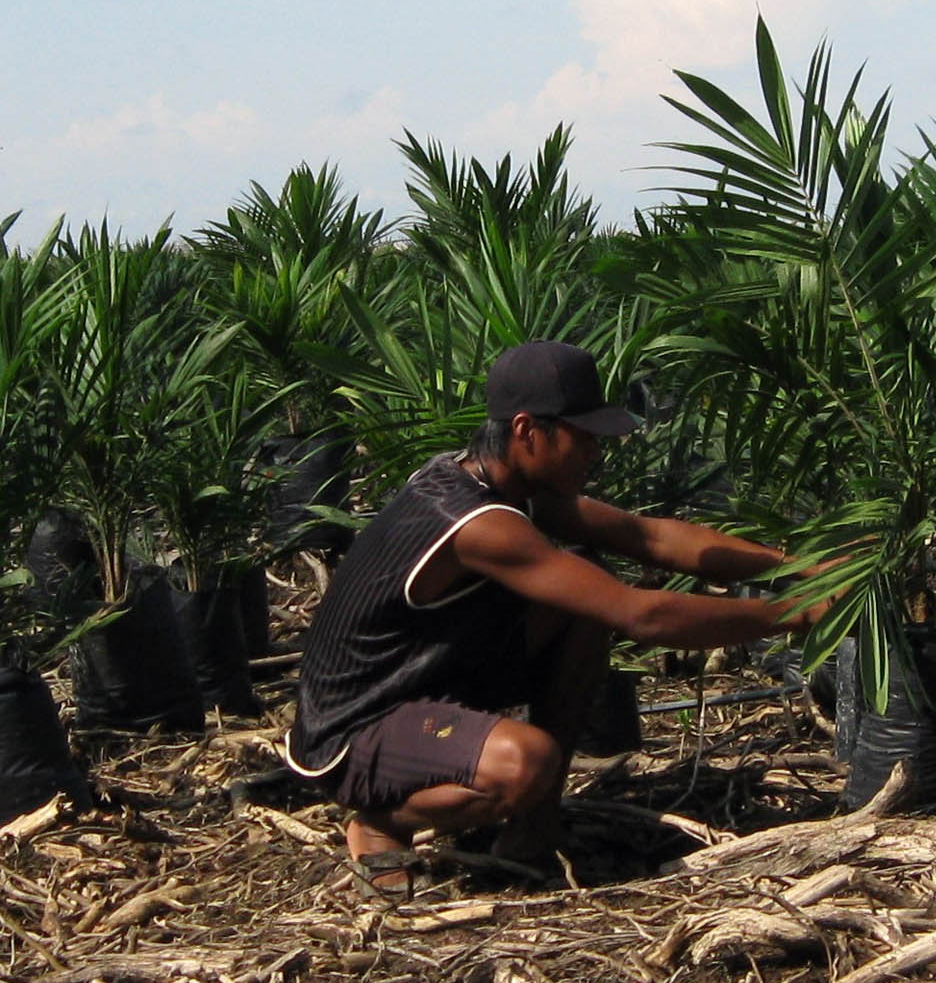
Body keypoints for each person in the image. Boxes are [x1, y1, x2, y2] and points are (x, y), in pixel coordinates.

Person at [281, 340, 824, 887]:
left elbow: (649, 537)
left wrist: (804, 570)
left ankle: (534, 824)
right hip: (352, 731)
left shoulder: (506, 484)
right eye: (583, 437)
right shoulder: (476, 523)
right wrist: (794, 613)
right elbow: (642, 616)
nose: (595, 453)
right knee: (524, 763)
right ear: (527, 431)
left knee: (579, 609)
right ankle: (383, 823)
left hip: (427, 681)